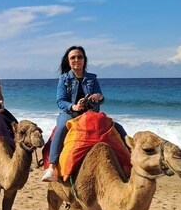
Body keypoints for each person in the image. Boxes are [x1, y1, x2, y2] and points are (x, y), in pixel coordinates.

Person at [41, 46, 127, 182]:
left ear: (84, 60)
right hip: (70, 113)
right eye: (73, 57)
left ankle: (131, 160)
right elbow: (60, 101)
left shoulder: (92, 79)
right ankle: (52, 167)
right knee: (62, 127)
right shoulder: (63, 79)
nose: (76, 60)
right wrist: (74, 106)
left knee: (117, 128)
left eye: (79, 57)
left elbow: (101, 98)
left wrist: (99, 97)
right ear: (68, 61)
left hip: (90, 113)